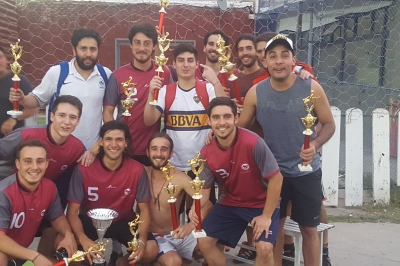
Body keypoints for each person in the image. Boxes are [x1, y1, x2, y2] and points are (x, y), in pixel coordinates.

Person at [237, 34, 335, 266]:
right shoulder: (256, 92)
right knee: (274, 230)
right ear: (265, 62)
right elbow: (240, 131)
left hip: (306, 172)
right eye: (273, 56)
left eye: (284, 55)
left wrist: (315, 145)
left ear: (294, 61)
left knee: (309, 231)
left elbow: (329, 124)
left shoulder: (311, 87)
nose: (279, 61)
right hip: (272, 175)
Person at [190, 97, 283, 266]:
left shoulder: (253, 143)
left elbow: (276, 179)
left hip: (262, 203)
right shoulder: (206, 152)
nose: (221, 122)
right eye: (216, 117)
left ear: (236, 118)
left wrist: (266, 216)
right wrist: (194, 208)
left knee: (264, 248)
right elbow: (204, 190)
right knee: (204, 242)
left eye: (227, 116)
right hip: (231, 202)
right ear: (209, 120)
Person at [144, 44, 226, 209]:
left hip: (202, 165)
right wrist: (151, 93)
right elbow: (149, 120)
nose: (186, 64)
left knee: (200, 212)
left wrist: (215, 81)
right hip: (174, 164)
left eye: (190, 60)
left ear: (197, 64)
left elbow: (224, 109)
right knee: (173, 211)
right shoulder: (167, 91)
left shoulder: (207, 88)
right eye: (181, 61)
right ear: (174, 64)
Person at [66, 121, 158, 266]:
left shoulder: (137, 170)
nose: (114, 144)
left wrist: (141, 240)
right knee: (67, 247)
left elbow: (145, 210)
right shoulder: (84, 168)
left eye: (119, 140)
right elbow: (72, 212)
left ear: (126, 143)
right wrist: (83, 239)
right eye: (109, 139)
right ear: (101, 142)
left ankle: (119, 263)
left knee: (151, 250)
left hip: (123, 221)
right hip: (89, 221)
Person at [9, 28, 111, 154]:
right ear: (74, 50)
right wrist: (23, 99)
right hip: (59, 149)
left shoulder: (106, 75)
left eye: (93, 49)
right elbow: (37, 100)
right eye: (83, 48)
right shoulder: (57, 73)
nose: (88, 54)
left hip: (92, 151)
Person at [103, 23, 172, 166]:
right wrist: (114, 139)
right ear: (130, 45)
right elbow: (108, 112)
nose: (141, 48)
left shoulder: (164, 73)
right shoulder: (118, 75)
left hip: (153, 152)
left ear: (154, 46)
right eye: (137, 43)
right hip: (124, 150)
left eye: (147, 43)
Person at [0, 139, 76, 266]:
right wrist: (35, 256)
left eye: (40, 161)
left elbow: (57, 217)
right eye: (28, 161)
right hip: (6, 252)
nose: (35, 167)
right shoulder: (4, 192)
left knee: (71, 257)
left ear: (46, 163)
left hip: (19, 254)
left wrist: (68, 234)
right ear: (18, 164)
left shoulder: (49, 187)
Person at [145, 132, 211, 266]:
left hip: (176, 233)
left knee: (210, 245)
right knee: (173, 262)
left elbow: (207, 203)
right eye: (154, 149)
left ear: (171, 153)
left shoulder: (180, 178)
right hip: (153, 236)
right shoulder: (140, 174)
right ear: (147, 152)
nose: (158, 154)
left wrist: (191, 225)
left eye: (164, 149)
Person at [0, 46, 38, 138]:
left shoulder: (19, 80)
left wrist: (14, 119)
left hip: (11, 136)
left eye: (0, 57)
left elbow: (34, 108)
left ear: (6, 60)